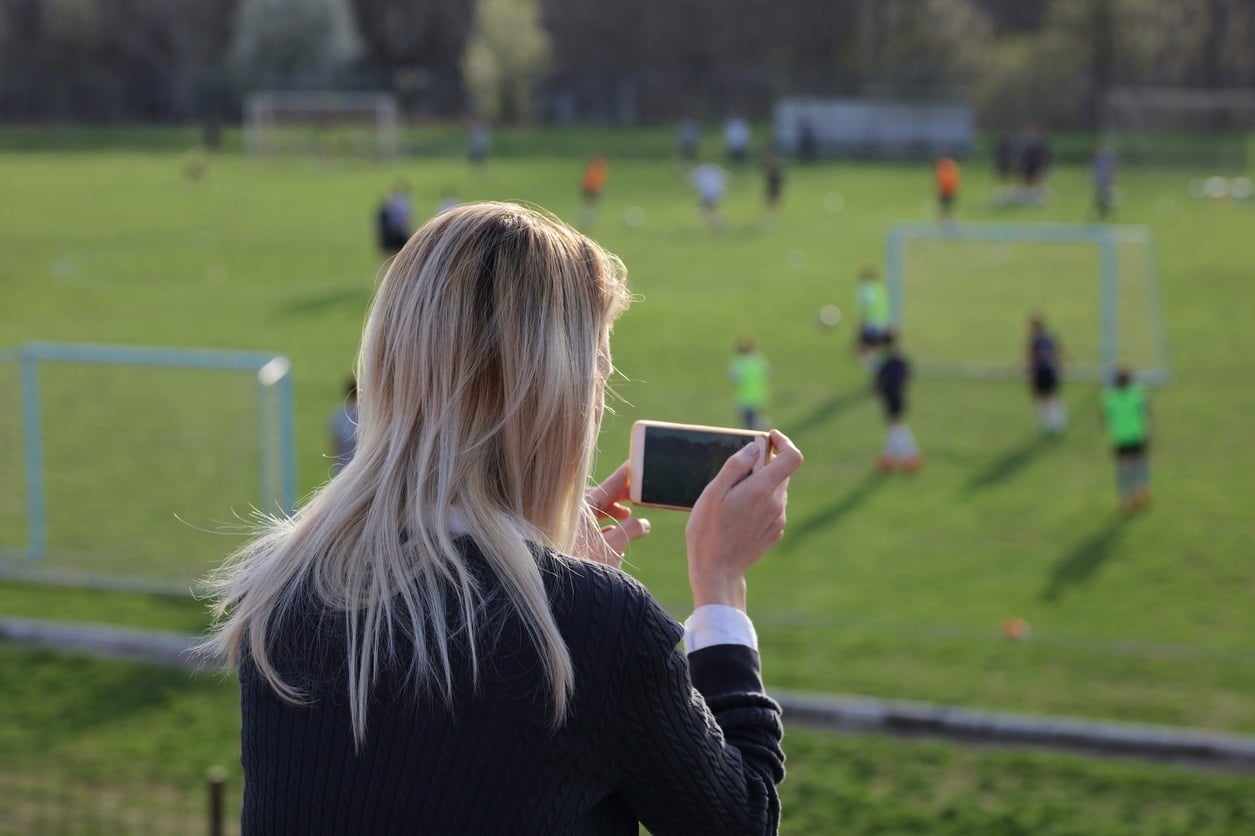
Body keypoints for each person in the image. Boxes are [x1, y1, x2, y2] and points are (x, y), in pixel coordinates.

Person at [202, 202, 803, 834]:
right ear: (557, 397)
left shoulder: (278, 590)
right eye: (598, 372)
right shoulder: (599, 635)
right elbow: (743, 819)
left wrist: (552, 573)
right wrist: (721, 585)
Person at [1102, 366, 1152, 514]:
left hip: (1119, 439)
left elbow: (1106, 418)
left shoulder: (1109, 397)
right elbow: (1145, 413)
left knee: (1124, 469)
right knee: (1140, 463)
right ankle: (1142, 489)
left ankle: (1126, 499)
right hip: (1137, 436)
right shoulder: (1137, 394)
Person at [874, 331, 921, 472]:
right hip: (900, 395)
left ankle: (911, 455)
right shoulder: (899, 358)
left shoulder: (888, 360)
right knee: (893, 426)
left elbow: (881, 381)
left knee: (895, 427)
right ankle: (889, 458)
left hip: (893, 396)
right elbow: (908, 375)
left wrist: (881, 390)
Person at [1027, 312, 1067, 434]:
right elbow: (1058, 351)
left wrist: (1029, 370)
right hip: (1051, 369)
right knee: (1053, 396)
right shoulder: (1050, 336)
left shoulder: (1034, 339)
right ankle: (1058, 422)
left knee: (1042, 397)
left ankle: (1048, 424)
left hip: (1041, 370)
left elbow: (1032, 356)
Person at [728, 336, 771, 430]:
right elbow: (767, 373)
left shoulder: (739, 363)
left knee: (748, 427)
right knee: (755, 422)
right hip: (758, 397)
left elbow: (733, 378)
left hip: (745, 399)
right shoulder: (759, 360)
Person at [855, 266, 891, 370]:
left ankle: (878, 369)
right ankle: (881, 369)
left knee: (862, 351)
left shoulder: (865, 289)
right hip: (884, 324)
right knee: (875, 349)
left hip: (872, 325)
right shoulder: (881, 287)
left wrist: (861, 322)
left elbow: (866, 305)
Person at [688, 158, 731, 229]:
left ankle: (719, 222)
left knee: (704, 209)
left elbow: (690, 181)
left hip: (709, 192)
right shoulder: (713, 167)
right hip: (718, 191)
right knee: (709, 208)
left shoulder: (698, 170)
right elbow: (728, 177)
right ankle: (718, 222)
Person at [328, 376, 359, 473]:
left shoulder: (338, 415)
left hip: (343, 469)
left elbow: (334, 446)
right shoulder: (368, 414)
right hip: (362, 468)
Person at [578, 153, 609, 229]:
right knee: (590, 206)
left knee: (592, 207)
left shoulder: (601, 169)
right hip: (590, 190)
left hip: (594, 190)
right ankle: (584, 221)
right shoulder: (593, 168)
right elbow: (589, 180)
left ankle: (587, 221)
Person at [1092, 142, 1116, 220]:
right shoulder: (1096, 159)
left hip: (1107, 180)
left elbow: (1112, 168)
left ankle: (1108, 213)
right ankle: (1100, 212)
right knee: (1099, 198)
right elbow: (1094, 169)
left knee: (1108, 198)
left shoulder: (1108, 158)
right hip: (1100, 181)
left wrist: (1112, 177)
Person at [935, 156, 960, 226]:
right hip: (948, 191)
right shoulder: (950, 167)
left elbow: (941, 180)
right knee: (947, 208)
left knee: (946, 208)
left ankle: (947, 222)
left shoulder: (943, 168)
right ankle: (946, 222)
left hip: (947, 191)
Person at [762, 151, 785, 223]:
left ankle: (771, 218)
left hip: (775, 187)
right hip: (771, 187)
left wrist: (780, 189)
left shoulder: (777, 169)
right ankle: (770, 217)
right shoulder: (772, 168)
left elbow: (780, 181)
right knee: (770, 203)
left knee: (772, 203)